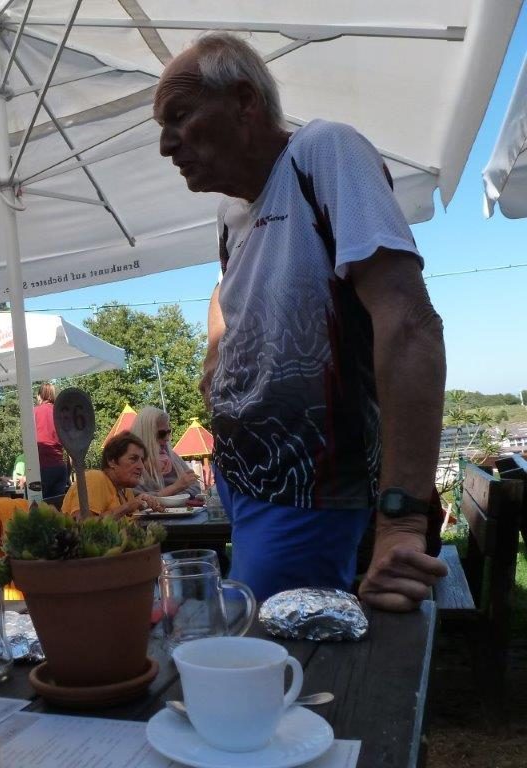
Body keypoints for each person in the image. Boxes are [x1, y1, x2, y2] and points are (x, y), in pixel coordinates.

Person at [154, 33, 447, 607]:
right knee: (242, 631)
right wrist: (217, 358)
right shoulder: (230, 214)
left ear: (244, 101)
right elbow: (230, 294)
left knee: (269, 645)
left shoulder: (325, 150)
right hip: (241, 481)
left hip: (308, 488)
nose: (166, 145)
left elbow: (410, 324)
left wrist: (402, 521)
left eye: (180, 116)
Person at [61, 432, 164, 518]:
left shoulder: (125, 490)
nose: (141, 466)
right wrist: (126, 507)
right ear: (111, 461)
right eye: (133, 459)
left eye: (142, 460)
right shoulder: (95, 479)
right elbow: (82, 526)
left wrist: (142, 505)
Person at [130, 406, 203, 497]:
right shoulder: (132, 463)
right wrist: (175, 488)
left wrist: (175, 496)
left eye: (168, 432)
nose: (167, 438)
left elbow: (195, 486)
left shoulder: (172, 456)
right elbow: (136, 498)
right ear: (147, 434)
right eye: (162, 434)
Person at [34, 383, 69, 497]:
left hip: (42, 467)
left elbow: (29, 441)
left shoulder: (35, 412)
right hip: (60, 467)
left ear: (40, 396)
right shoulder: (60, 413)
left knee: (36, 505)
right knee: (56, 505)